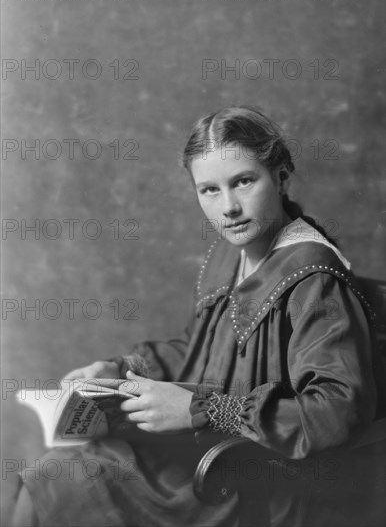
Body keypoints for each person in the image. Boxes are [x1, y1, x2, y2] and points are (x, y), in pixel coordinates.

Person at [13, 106, 383, 527]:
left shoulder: (313, 277)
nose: (229, 207)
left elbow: (336, 413)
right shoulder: (230, 252)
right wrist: (121, 371)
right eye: (209, 189)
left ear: (280, 177)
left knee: (68, 478)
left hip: (260, 474)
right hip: (207, 446)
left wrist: (202, 408)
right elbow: (199, 349)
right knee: (58, 469)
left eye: (243, 182)